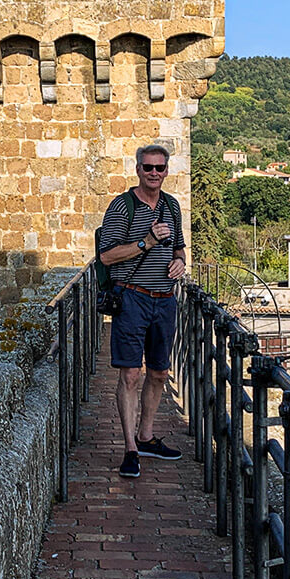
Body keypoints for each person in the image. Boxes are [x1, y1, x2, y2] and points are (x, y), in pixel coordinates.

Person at [97, 144, 188, 478]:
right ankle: (130, 449)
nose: (154, 173)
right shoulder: (122, 207)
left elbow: (179, 247)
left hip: (164, 300)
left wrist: (179, 261)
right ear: (137, 169)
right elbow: (106, 257)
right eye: (148, 167)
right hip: (132, 298)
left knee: (160, 373)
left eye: (160, 168)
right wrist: (145, 242)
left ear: (166, 170)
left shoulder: (171, 206)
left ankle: (146, 436)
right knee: (130, 375)